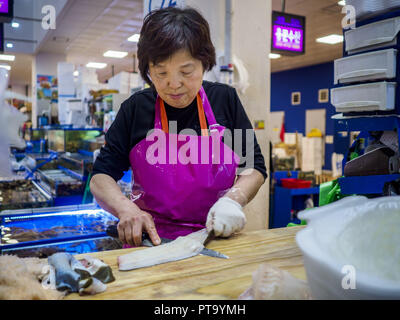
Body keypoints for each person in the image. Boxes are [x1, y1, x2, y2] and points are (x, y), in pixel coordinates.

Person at [90, 6, 267, 247]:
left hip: (215, 238)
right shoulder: (136, 108)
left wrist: (233, 200)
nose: (174, 84)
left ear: (204, 64)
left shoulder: (224, 100)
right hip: (149, 242)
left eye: (186, 71)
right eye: (161, 72)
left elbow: (253, 167)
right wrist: (126, 209)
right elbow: (101, 176)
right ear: (147, 70)